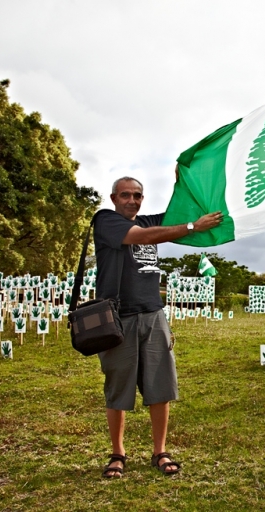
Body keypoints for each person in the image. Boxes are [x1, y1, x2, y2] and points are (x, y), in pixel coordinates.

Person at [95, 175, 222, 478]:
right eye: (125, 195)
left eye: (137, 195)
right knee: (118, 388)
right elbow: (147, 237)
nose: (132, 200)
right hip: (117, 318)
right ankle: (117, 453)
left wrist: (186, 182)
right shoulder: (105, 220)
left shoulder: (149, 219)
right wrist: (193, 228)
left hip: (153, 314)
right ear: (113, 199)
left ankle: (159, 452)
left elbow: (183, 213)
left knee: (160, 386)